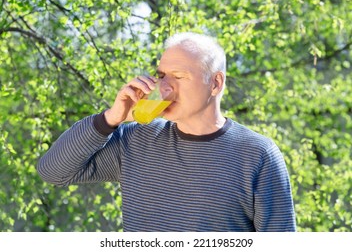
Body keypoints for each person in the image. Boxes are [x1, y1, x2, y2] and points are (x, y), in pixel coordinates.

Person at [37, 32, 296, 232]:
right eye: (161, 76)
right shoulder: (136, 139)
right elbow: (52, 172)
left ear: (215, 83)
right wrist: (111, 118)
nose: (165, 88)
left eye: (179, 76)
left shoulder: (257, 154)